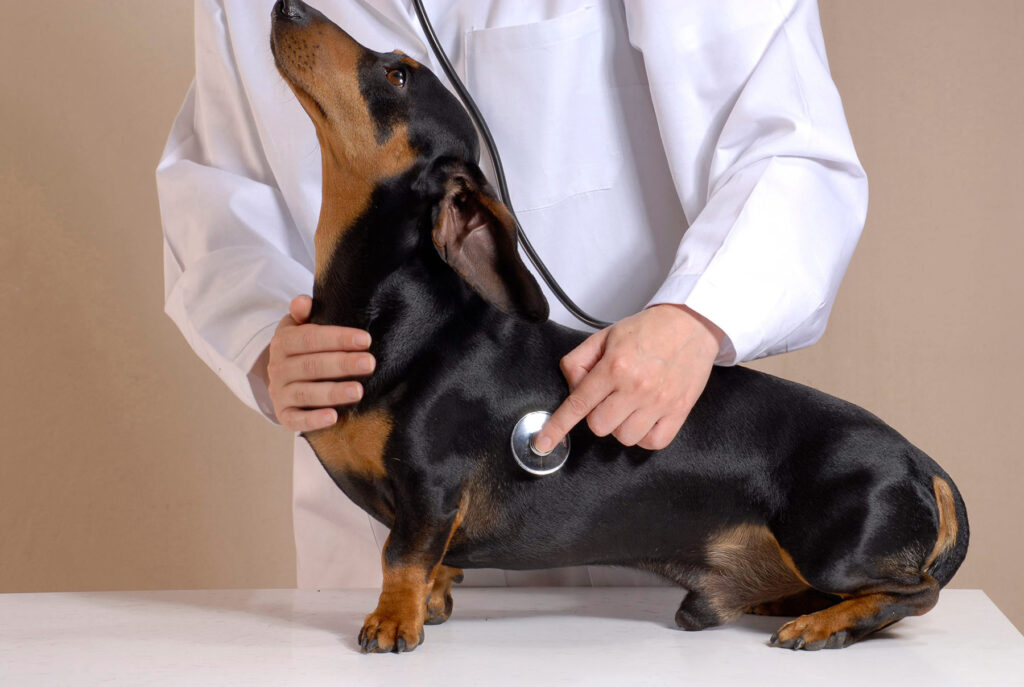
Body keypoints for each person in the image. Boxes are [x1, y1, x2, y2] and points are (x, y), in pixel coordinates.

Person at [158, 0, 867, 588]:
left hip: (637, 477)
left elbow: (789, 141)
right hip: (381, 528)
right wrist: (267, 339)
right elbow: (217, 194)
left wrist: (696, 316)